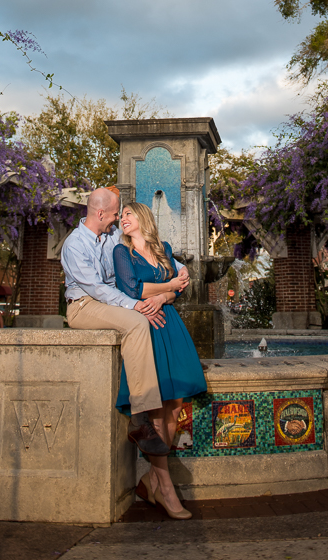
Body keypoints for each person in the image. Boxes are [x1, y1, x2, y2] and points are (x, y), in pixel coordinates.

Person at [60, 187, 189, 456]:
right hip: (83, 305)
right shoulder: (75, 245)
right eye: (116, 212)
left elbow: (144, 246)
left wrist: (178, 266)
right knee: (137, 322)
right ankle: (141, 418)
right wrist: (135, 305)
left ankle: (146, 413)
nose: (119, 217)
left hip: (108, 303)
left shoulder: (111, 237)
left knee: (140, 319)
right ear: (100, 213)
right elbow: (96, 289)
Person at [114, 202, 207, 521]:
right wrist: (164, 289)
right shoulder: (121, 252)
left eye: (128, 214)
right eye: (121, 215)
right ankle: (165, 486)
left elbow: (178, 290)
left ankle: (151, 478)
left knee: (176, 404)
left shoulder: (164, 247)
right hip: (144, 328)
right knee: (155, 406)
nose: (122, 219)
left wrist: (163, 296)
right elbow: (131, 288)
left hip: (168, 323)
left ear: (143, 218)